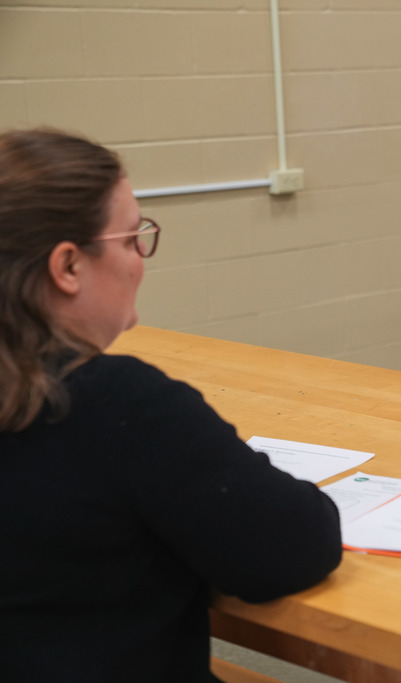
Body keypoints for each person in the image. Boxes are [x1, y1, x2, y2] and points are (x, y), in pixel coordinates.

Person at [0, 129, 342, 682]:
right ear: (67, 267)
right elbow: (295, 546)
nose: (140, 258)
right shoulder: (115, 404)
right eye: (133, 237)